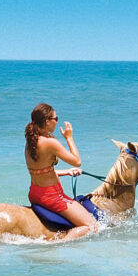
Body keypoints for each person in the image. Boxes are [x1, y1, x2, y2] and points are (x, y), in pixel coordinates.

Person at [25, 103, 98, 240]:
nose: (57, 121)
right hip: (52, 196)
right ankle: (59, 245)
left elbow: (39, 171)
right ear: (47, 122)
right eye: (55, 118)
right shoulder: (49, 143)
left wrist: (66, 172)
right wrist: (69, 137)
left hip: (35, 193)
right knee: (91, 226)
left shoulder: (31, 141)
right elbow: (77, 161)